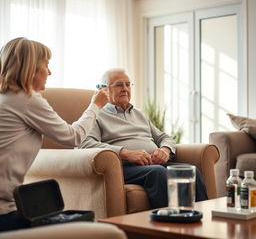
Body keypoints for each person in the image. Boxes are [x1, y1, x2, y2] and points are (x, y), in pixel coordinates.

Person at [0, 37, 109, 232]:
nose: (49, 72)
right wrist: (95, 105)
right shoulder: (26, 99)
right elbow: (72, 137)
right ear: (31, 69)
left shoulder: (5, 98)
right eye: (46, 65)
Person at [79, 69, 208, 209]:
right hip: (124, 167)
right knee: (157, 172)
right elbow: (85, 144)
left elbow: (164, 137)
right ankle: (168, 224)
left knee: (190, 170)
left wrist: (164, 150)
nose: (125, 89)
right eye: (119, 85)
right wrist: (126, 153)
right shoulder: (97, 115)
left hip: (152, 163)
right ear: (104, 89)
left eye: (128, 85)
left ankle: (201, 218)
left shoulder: (139, 114)